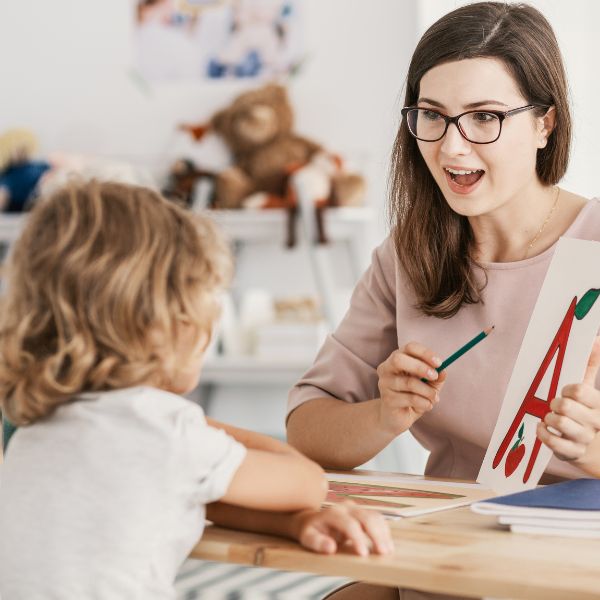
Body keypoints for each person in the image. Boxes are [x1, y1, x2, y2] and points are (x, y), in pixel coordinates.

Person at [287, 3, 600, 598]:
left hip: (572, 568)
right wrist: (382, 414)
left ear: (545, 123)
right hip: (446, 558)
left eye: (485, 117)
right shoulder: (410, 254)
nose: (453, 149)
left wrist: (594, 449)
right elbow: (308, 429)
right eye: (432, 115)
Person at [0, 180, 392, 598]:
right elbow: (308, 482)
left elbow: (192, 494)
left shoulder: (33, 433)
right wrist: (194, 423)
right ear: (173, 327)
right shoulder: (167, 432)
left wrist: (291, 523)